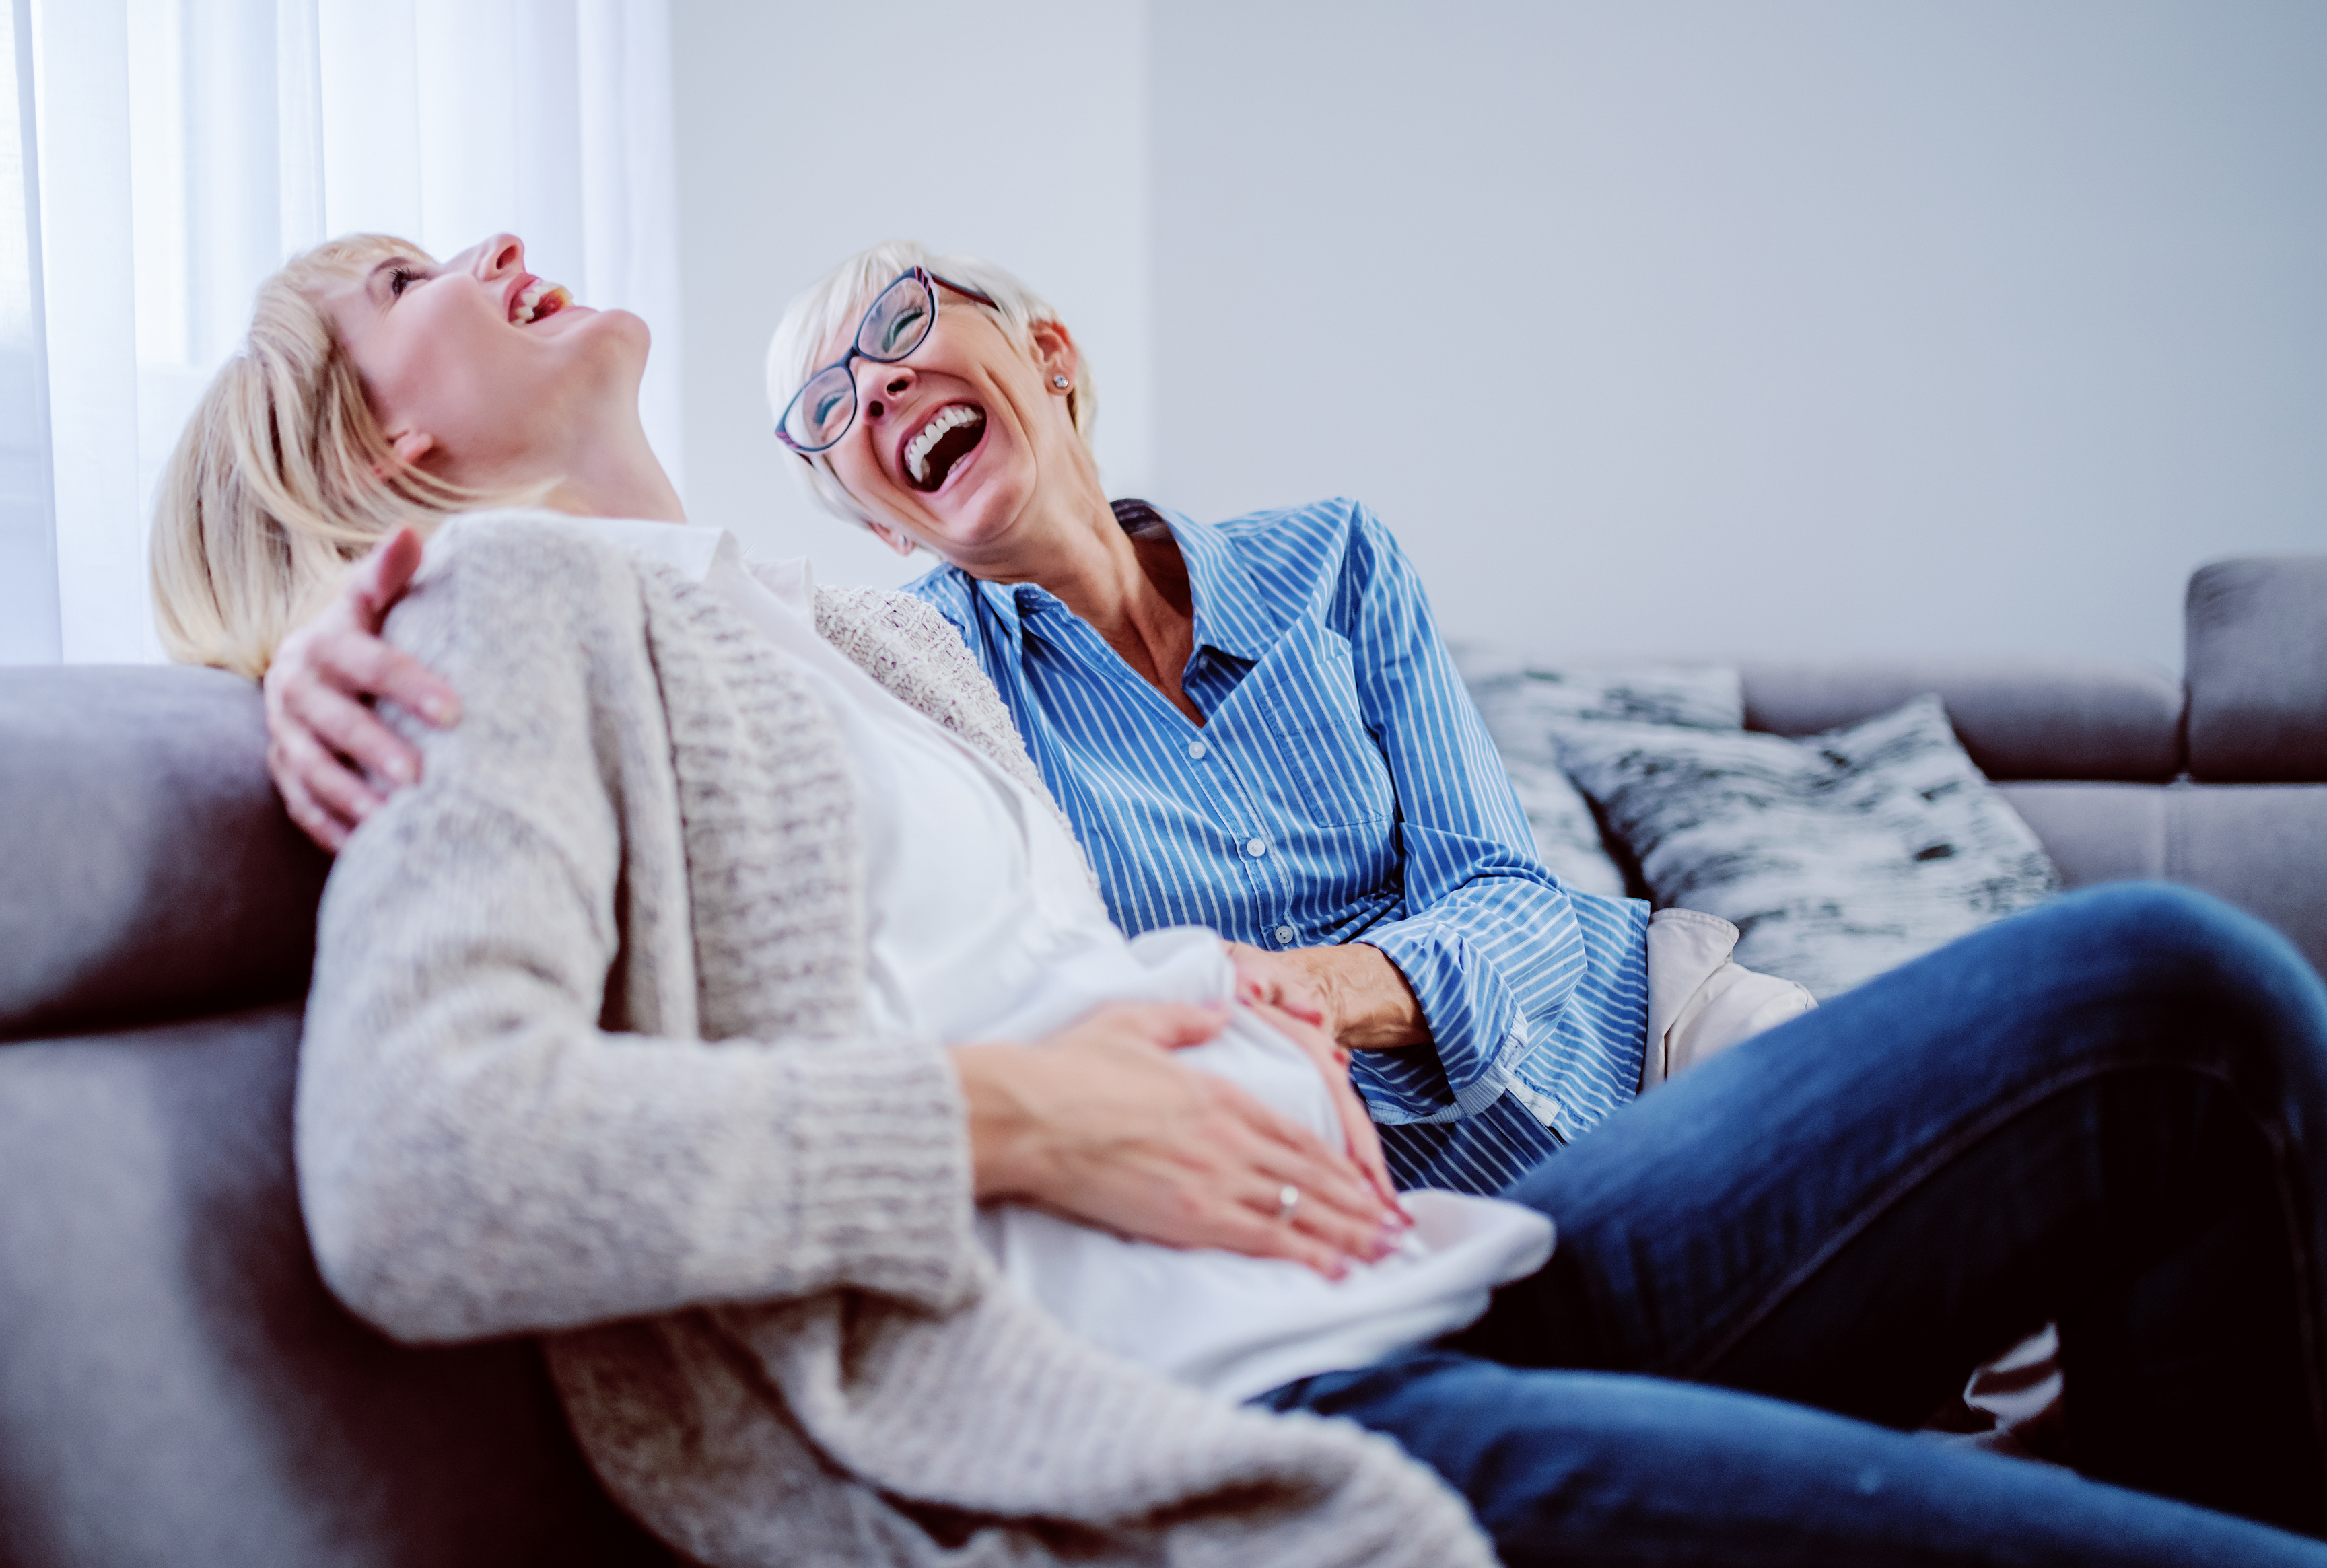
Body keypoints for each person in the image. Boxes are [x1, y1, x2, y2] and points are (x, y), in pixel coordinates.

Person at [157, 227, 2327, 1568]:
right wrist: (1026, 1116)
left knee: (2179, 994)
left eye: (893, 339)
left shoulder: (817, 635)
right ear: (385, 442)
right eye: (401, 279)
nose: (497, 246)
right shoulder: (491, 615)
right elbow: (422, 1164)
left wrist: (1204, 1002)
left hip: (1446, 1257)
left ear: (1044, 349)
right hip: (1266, 1415)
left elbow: (1025, 948)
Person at [263, 243, 1813, 1197]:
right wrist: (316, 626)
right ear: (880, 529)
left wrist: (1326, 987)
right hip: (1441, 1200)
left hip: (1651, 1031)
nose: (872, 391)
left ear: (1048, 356)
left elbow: (1514, 901)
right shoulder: (915, 669)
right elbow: (679, 636)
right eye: (827, 414)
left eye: (899, 328)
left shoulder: (1332, 555)